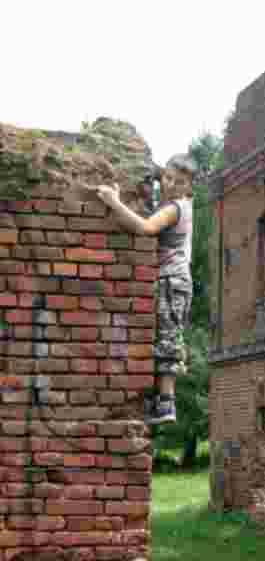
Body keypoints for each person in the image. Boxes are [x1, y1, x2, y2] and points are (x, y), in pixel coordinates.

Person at [95, 154, 197, 425]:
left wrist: (113, 202)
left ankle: (166, 404)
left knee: (168, 338)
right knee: (167, 335)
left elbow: (146, 227)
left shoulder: (176, 207)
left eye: (179, 182)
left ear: (188, 187)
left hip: (172, 280)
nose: (170, 184)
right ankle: (161, 400)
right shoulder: (179, 203)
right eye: (167, 178)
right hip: (174, 280)